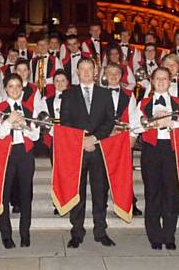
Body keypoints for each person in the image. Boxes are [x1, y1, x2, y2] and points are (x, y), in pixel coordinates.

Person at [60, 57, 115, 248]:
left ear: (95, 71)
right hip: (77, 150)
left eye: (89, 68)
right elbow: (65, 122)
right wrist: (81, 141)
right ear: (76, 72)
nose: (85, 72)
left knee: (100, 193)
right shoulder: (68, 95)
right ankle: (77, 232)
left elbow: (110, 121)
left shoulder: (105, 94)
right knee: (78, 193)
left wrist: (94, 138)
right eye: (82, 69)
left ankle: (100, 231)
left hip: (99, 149)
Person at [136, 67, 179, 250]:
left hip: (171, 150)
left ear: (170, 81)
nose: (161, 82)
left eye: (164, 78)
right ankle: (154, 236)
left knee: (171, 194)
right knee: (152, 194)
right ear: (152, 81)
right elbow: (136, 128)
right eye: (157, 78)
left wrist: (171, 123)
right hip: (151, 150)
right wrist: (151, 124)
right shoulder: (143, 103)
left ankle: (169, 236)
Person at [0, 73, 41, 248]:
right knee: (4, 194)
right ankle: (6, 235)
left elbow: (35, 135)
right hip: (6, 152)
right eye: (11, 86)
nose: (14, 89)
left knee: (26, 194)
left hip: (25, 153)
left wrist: (24, 126)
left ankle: (25, 234)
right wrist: (9, 123)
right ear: (5, 88)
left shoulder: (29, 108)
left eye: (18, 86)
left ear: (22, 89)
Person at [103, 63, 142, 216]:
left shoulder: (128, 94)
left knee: (125, 173)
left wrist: (132, 137)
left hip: (123, 139)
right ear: (105, 76)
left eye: (116, 73)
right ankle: (102, 204)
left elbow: (134, 116)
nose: (113, 76)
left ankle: (130, 202)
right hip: (104, 139)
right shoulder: (99, 92)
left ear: (120, 76)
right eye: (110, 73)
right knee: (103, 173)